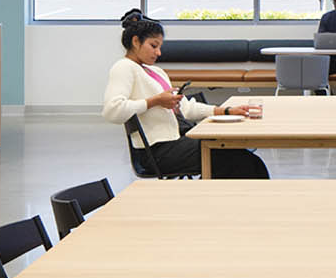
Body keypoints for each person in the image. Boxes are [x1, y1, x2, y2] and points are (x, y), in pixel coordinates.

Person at [102, 9, 270, 177]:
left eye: (160, 47)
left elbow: (186, 108)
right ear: (136, 41)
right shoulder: (123, 67)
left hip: (176, 141)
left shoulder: (156, 72)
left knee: (245, 159)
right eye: (153, 46)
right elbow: (112, 111)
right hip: (156, 152)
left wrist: (225, 111)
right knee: (237, 159)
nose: (158, 53)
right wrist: (154, 101)